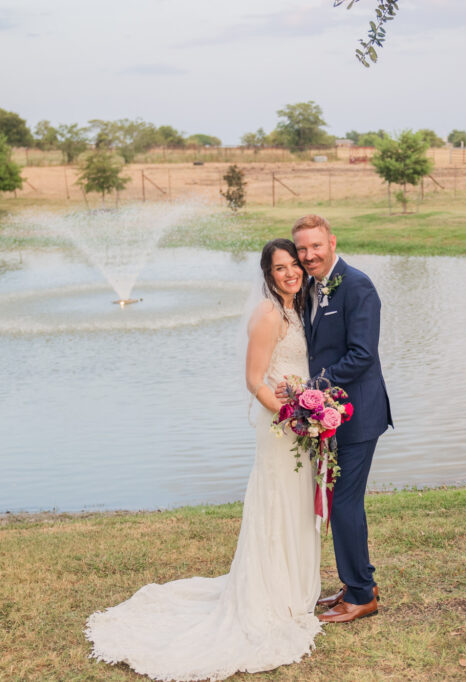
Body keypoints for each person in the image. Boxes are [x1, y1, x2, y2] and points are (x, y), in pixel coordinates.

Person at [86, 239, 321, 681]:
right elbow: (255, 381)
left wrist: (309, 412)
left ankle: (292, 587)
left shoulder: (298, 307)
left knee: (295, 505)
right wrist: (293, 415)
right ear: (267, 276)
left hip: (300, 426)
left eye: (294, 264)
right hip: (281, 428)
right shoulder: (269, 314)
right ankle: (271, 594)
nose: (291, 272)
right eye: (280, 268)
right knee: (277, 503)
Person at [284, 214, 392, 624]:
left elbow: (362, 355)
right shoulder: (312, 287)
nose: (308, 255)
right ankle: (357, 583)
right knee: (339, 500)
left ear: (331, 242)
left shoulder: (358, 285)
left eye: (315, 246)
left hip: (359, 413)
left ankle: (362, 595)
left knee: (344, 502)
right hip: (330, 414)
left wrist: (314, 385)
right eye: (302, 249)